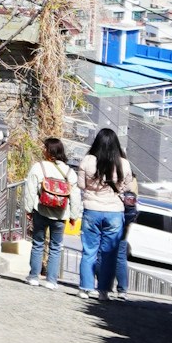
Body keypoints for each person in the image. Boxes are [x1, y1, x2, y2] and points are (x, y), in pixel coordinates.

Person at [77, 126, 137, 299]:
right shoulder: (123, 163)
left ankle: (85, 288)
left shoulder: (87, 160)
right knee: (109, 254)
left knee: (89, 251)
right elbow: (126, 187)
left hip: (91, 209)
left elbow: (81, 185)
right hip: (114, 212)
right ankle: (103, 291)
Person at [20, 137, 78, 288]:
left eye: (44, 148)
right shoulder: (69, 172)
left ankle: (33, 277)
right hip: (60, 214)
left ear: (48, 151)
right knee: (55, 246)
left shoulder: (39, 167)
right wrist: (73, 216)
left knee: (38, 243)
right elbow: (75, 196)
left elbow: (30, 189)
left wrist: (28, 208)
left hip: (41, 210)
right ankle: (51, 281)